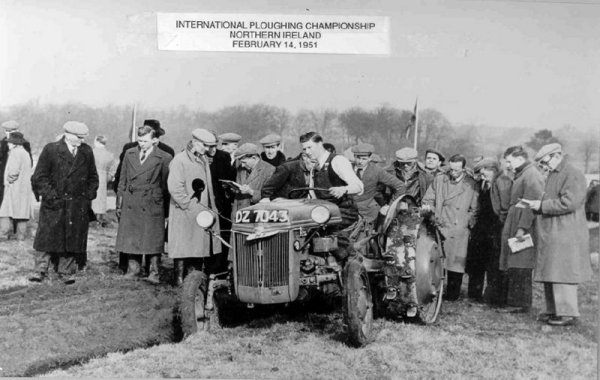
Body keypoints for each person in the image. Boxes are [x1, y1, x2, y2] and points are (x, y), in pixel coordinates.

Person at [520, 143, 592, 326]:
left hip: (566, 233)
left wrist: (541, 206)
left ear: (556, 156)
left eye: (545, 162)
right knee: (551, 271)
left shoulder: (572, 173)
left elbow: (570, 202)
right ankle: (553, 310)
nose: (544, 167)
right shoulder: (554, 174)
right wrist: (536, 204)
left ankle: (567, 313)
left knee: (562, 273)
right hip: (553, 232)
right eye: (541, 164)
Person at [29, 121, 99, 284]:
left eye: (83, 138)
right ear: (67, 135)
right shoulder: (51, 149)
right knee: (46, 237)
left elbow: (93, 177)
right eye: (78, 137)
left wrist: (87, 196)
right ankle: (40, 270)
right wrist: (51, 196)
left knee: (72, 237)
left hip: (77, 204)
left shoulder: (86, 151)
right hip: (54, 203)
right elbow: (40, 176)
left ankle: (66, 271)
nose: (81, 141)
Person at [113, 119, 174, 271]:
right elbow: (122, 181)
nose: (141, 144)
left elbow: (167, 185)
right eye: (139, 140)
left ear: (154, 140)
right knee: (131, 236)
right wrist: (119, 203)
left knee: (153, 238)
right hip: (131, 201)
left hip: (152, 203)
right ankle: (133, 269)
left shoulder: (165, 157)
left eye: (145, 141)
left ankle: (154, 271)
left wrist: (165, 209)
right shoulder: (129, 153)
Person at [168, 129, 223, 286]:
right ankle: (179, 282)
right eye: (206, 146)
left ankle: (193, 281)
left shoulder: (202, 159)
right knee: (182, 247)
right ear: (196, 143)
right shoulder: (179, 160)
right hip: (185, 212)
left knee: (197, 248)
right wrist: (189, 205)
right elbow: (174, 188)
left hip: (200, 213)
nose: (208, 150)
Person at [422, 154, 479, 301]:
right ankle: (436, 289)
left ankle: (453, 294)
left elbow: (475, 208)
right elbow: (429, 197)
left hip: (458, 227)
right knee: (438, 259)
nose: (453, 172)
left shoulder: (470, 184)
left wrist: (466, 222)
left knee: (455, 263)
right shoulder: (440, 179)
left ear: (463, 168)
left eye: (456, 170)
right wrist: (431, 211)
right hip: (439, 224)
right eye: (451, 169)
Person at [301, 132, 363, 263]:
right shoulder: (314, 168)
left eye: (310, 147)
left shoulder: (337, 161)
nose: (307, 151)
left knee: (328, 232)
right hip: (323, 212)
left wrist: (344, 189)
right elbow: (312, 195)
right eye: (304, 149)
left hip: (344, 211)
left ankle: (351, 260)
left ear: (320, 144)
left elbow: (359, 186)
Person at [498, 146, 545, 313]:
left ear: (519, 159)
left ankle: (519, 304)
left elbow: (531, 204)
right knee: (515, 261)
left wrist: (522, 228)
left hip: (523, 224)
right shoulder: (524, 174)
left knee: (521, 263)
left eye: (510, 161)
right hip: (516, 220)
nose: (508, 165)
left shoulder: (531, 175)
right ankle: (516, 302)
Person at [466, 157, 509, 303]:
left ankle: (493, 297)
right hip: (481, 228)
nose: (482, 176)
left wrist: (500, 226)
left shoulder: (502, 182)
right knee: (476, 262)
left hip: (495, 228)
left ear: (493, 170)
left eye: (485, 173)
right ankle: (474, 293)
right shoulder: (484, 184)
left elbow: (504, 208)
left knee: (494, 264)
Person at [206, 131, 236, 274]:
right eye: (208, 146)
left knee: (221, 234)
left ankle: (220, 266)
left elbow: (230, 177)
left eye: (214, 145)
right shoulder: (198, 157)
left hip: (220, 203)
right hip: (203, 202)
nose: (211, 149)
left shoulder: (223, 156)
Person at [351, 143, 404, 223]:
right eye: (358, 158)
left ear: (369, 159)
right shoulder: (346, 168)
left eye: (364, 159)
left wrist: (390, 206)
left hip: (369, 212)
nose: (360, 162)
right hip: (348, 209)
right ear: (354, 157)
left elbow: (400, 186)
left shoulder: (376, 171)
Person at [0, 132, 33, 240]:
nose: (8, 144)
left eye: (10, 143)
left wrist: (9, 182)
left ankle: (3, 234)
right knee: (22, 214)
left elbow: (13, 172)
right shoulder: (25, 152)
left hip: (14, 188)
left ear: (15, 144)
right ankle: (21, 237)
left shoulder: (15, 153)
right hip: (24, 189)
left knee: (5, 211)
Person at [230, 143, 275, 218]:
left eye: (244, 162)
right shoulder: (241, 169)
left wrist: (251, 192)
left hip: (256, 216)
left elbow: (271, 197)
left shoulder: (270, 170)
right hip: (238, 214)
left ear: (254, 158)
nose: (242, 165)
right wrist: (234, 188)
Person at [0, 120, 32, 205]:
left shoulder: (24, 144)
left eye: (11, 131)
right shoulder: (2, 143)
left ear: (17, 131)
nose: (8, 133)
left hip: (16, 178)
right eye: (6, 131)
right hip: (3, 176)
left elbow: (28, 162)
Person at [91, 135, 116, 227]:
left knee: (92, 199)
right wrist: (106, 179)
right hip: (103, 178)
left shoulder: (92, 153)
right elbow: (112, 171)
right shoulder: (110, 155)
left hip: (92, 177)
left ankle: (91, 219)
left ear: (97, 141)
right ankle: (99, 219)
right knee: (101, 200)